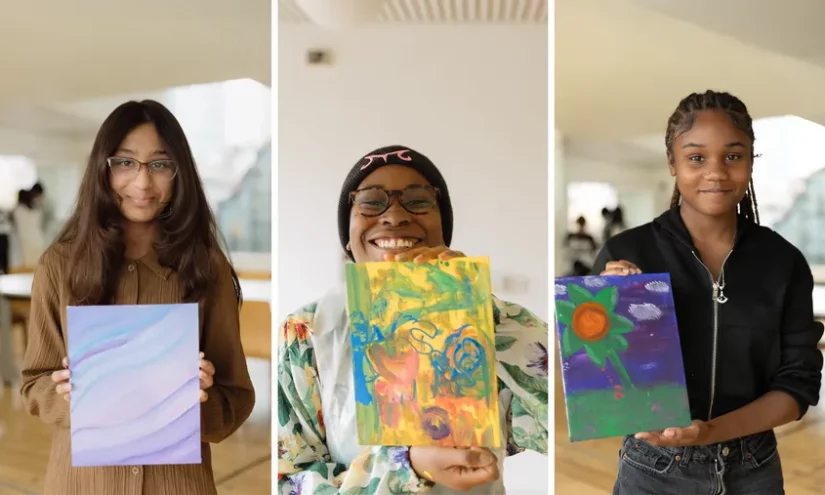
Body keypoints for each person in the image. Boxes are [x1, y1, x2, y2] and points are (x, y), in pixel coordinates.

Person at [277, 145, 548, 494]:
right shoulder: (308, 331)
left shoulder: (488, 324)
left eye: (418, 200)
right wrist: (408, 467)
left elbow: (550, 425)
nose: (394, 216)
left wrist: (477, 305)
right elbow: (289, 481)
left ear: (443, 229)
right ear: (347, 233)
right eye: (371, 202)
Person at [19, 100, 256, 495]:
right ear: (103, 168)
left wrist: (199, 399)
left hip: (178, 485)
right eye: (125, 163)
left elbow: (235, 399)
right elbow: (33, 383)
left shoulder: (205, 268)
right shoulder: (58, 266)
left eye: (160, 164)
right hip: (83, 485)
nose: (143, 183)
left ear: (179, 174)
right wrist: (67, 395)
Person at [593, 90, 823, 494]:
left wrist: (710, 432)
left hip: (755, 468)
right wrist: (600, 317)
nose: (715, 172)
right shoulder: (627, 254)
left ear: (751, 161)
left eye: (733, 156)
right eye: (696, 158)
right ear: (672, 163)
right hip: (654, 469)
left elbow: (797, 386)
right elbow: (598, 382)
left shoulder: (783, 263)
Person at [12, 188, 45, 267]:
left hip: (26, 243)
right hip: (39, 242)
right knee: (38, 268)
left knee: (28, 269)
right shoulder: (37, 211)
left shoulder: (17, 211)